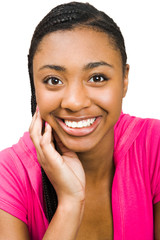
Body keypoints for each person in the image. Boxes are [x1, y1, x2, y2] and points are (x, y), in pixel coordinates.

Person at [0, 1, 160, 239]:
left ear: (125, 80)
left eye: (97, 77)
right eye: (54, 80)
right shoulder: (9, 175)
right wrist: (70, 202)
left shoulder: (153, 145)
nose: (74, 102)